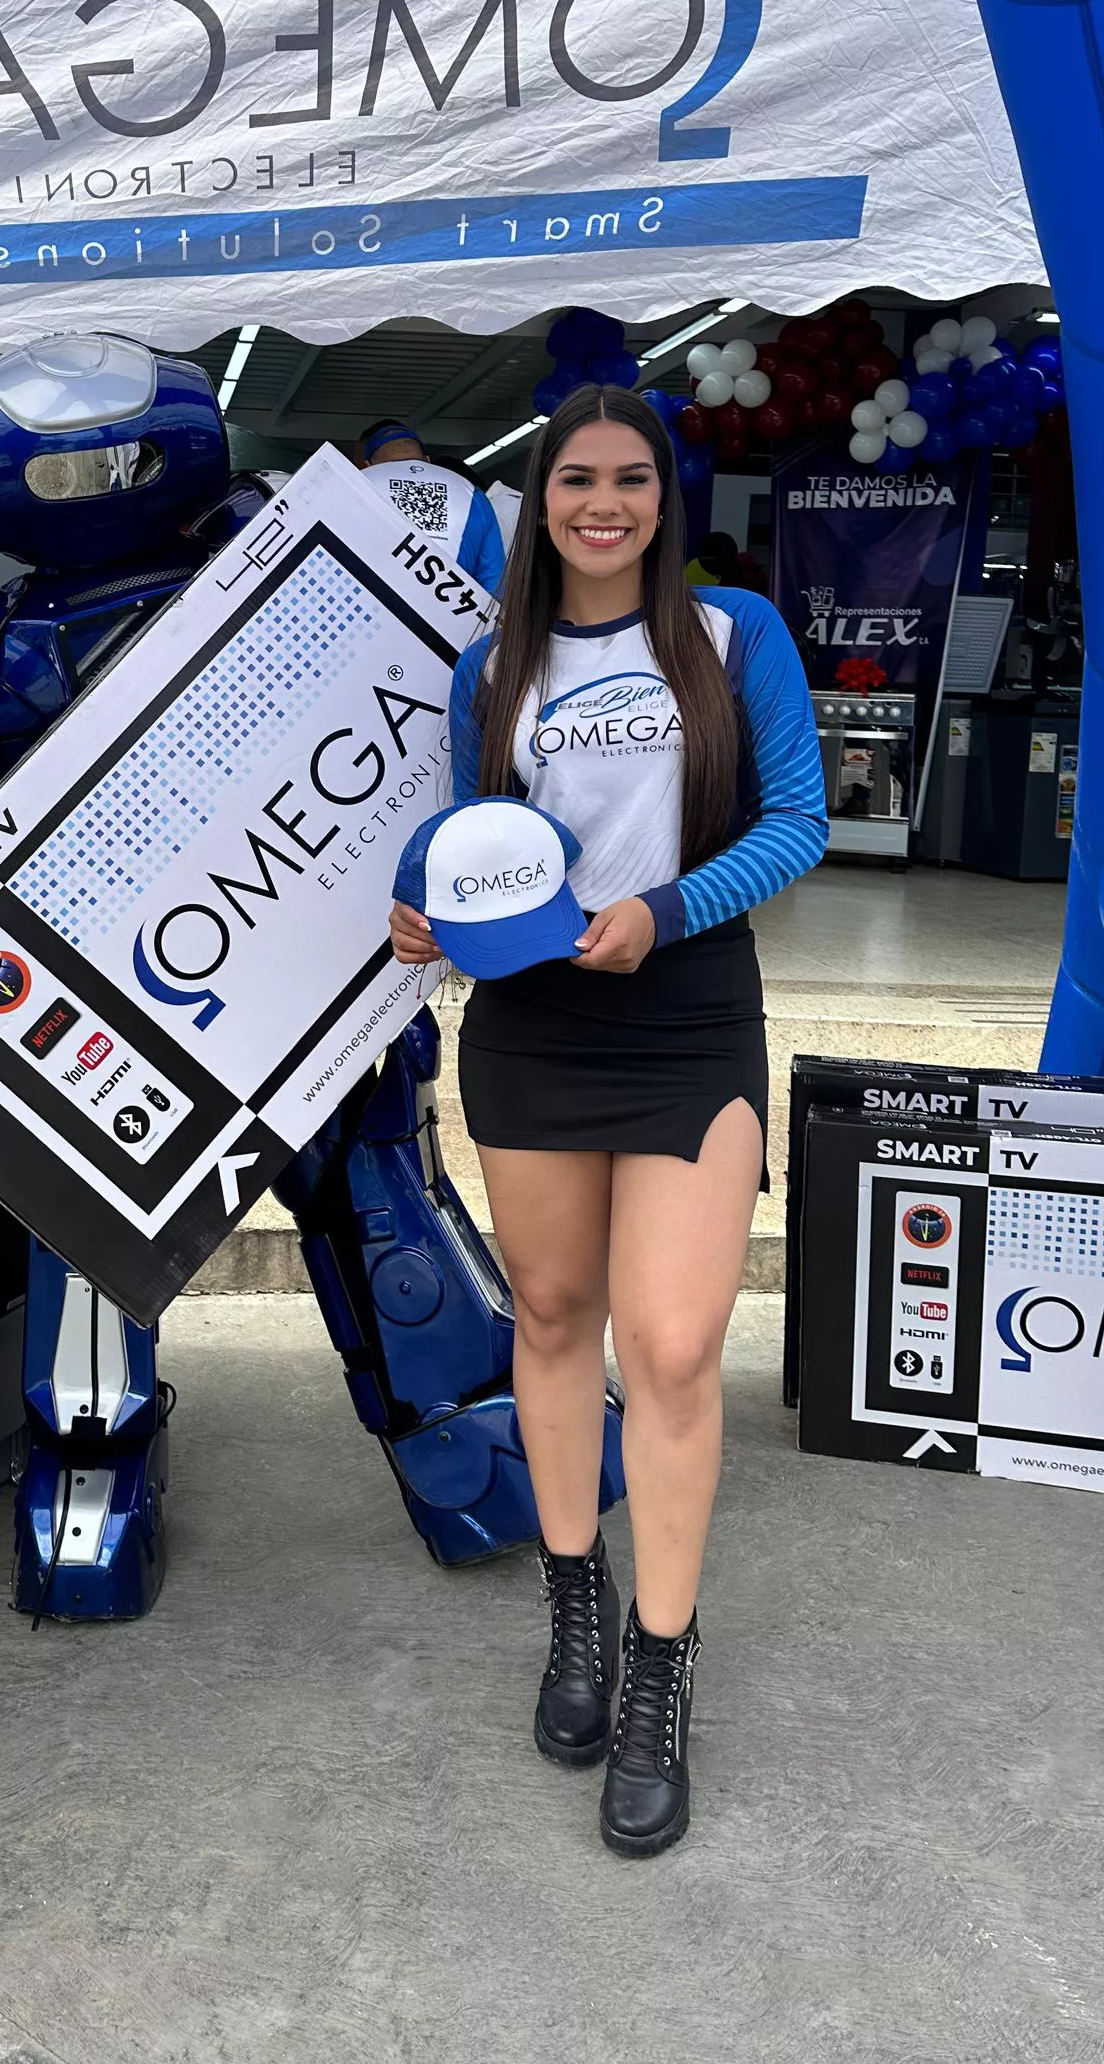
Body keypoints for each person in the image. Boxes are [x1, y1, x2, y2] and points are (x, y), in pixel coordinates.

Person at [388, 384, 825, 1857]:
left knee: (678, 1345)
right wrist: (426, 919)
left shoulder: (734, 634)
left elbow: (800, 819)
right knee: (556, 1315)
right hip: (536, 1028)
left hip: (689, 1014)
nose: (605, 504)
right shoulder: (490, 666)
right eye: (578, 478)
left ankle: (660, 1661)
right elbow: (470, 854)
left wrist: (666, 909)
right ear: (542, 499)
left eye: (632, 478)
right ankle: (574, 1600)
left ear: (663, 497)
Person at [355, 418, 508, 593]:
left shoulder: (358, 483)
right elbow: (494, 582)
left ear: (367, 464)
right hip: (451, 605)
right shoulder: (471, 493)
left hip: (370, 603)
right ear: (427, 460)